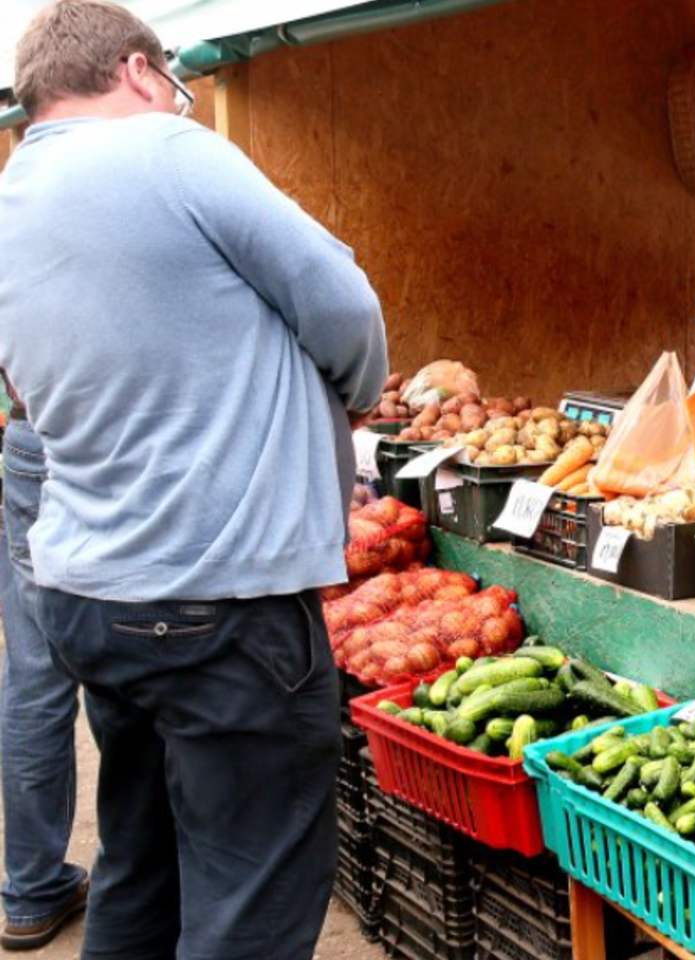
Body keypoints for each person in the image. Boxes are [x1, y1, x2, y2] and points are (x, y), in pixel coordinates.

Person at [0, 3, 388, 959]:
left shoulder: (11, 202)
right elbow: (342, 302)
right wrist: (358, 396)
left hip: (93, 595)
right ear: (138, 69)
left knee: (143, 863)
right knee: (252, 895)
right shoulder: (166, 147)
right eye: (171, 77)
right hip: (220, 609)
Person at [0, 380, 87, 952]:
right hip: (119, 428)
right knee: (136, 650)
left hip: (34, 427)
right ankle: (151, 875)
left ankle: (31, 892)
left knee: (35, 674)